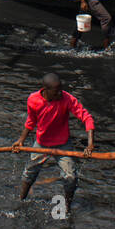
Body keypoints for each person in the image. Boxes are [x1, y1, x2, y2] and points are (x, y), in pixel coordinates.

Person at [14, 72, 95, 204]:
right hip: (42, 143)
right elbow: (31, 121)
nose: (60, 94)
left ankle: (67, 207)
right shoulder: (33, 99)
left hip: (63, 143)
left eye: (61, 90)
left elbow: (86, 117)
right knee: (29, 173)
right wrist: (21, 140)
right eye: (56, 91)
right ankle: (20, 201)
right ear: (46, 90)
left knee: (70, 178)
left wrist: (90, 144)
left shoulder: (67, 98)